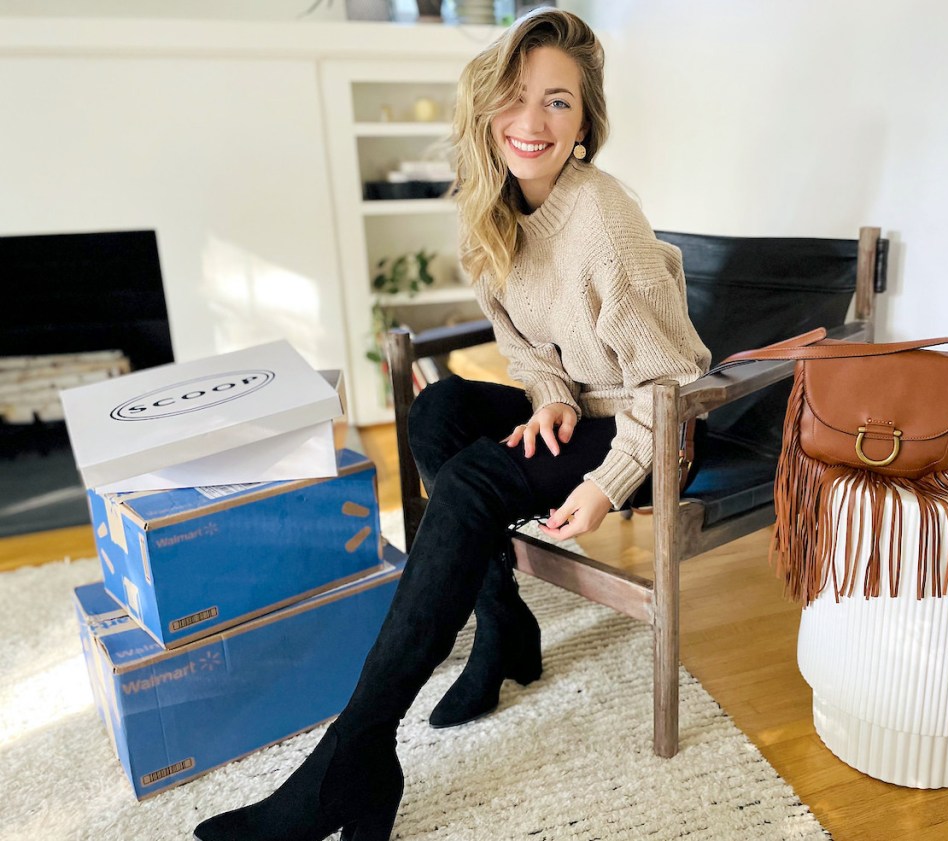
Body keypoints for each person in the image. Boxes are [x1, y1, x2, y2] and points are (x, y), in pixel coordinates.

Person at [193, 9, 709, 841]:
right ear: (487, 109)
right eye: (516, 97)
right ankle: (504, 622)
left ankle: (350, 758)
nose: (531, 123)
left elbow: (672, 382)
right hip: (588, 409)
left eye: (559, 103)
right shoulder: (492, 210)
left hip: (658, 429)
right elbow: (524, 344)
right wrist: (553, 397)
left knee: (470, 478)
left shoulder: (604, 221)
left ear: (585, 125)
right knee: (441, 408)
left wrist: (608, 483)